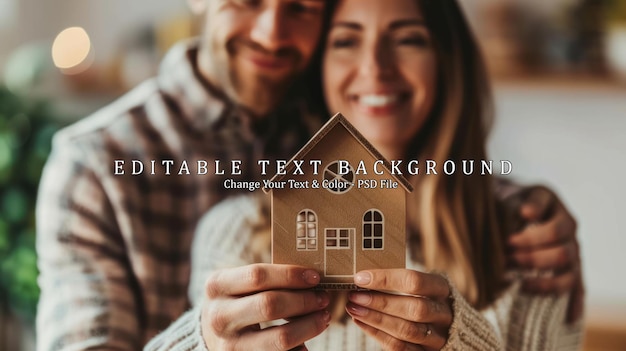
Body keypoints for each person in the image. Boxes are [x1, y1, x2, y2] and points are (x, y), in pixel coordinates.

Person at [35, 0, 581, 350]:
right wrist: (203, 342)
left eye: (300, 5)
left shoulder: (520, 230)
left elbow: (423, 160)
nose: (273, 33)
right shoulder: (96, 164)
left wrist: (524, 207)